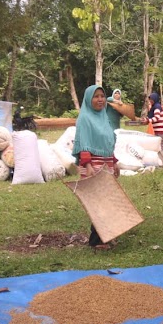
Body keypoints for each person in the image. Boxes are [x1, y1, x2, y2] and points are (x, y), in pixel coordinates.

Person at [72, 85, 120, 249]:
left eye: (102, 96)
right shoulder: (84, 118)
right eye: (96, 96)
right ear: (88, 99)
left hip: (106, 164)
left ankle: (105, 236)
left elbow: (108, 142)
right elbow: (84, 142)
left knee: (107, 202)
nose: (100, 99)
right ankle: (96, 240)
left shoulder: (104, 118)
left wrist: (115, 162)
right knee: (98, 203)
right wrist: (88, 165)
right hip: (93, 164)